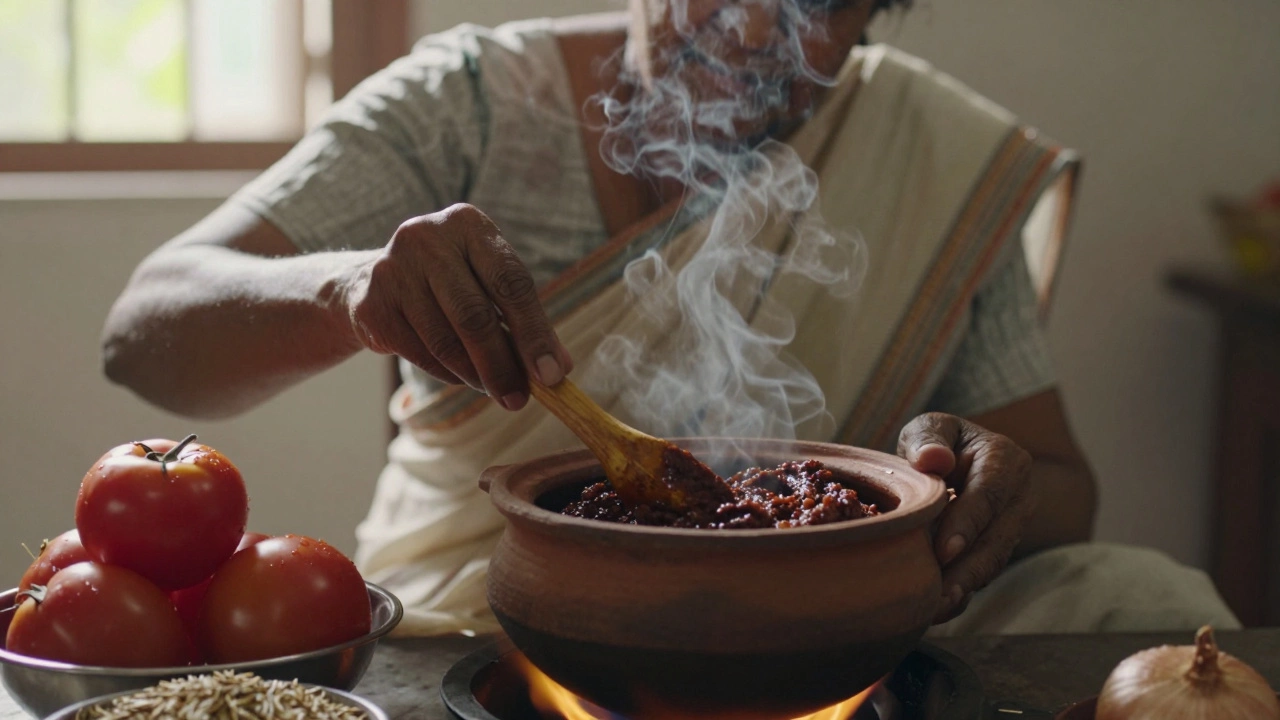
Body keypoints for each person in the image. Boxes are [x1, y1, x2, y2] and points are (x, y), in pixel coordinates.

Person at [101, 0, 1238, 637]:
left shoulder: (924, 158)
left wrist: (988, 482)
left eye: (814, 7)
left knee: (1148, 601)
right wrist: (347, 289)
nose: (750, 33)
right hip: (489, 619)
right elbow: (148, 330)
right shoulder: (469, 103)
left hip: (825, 637)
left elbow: (1057, 483)